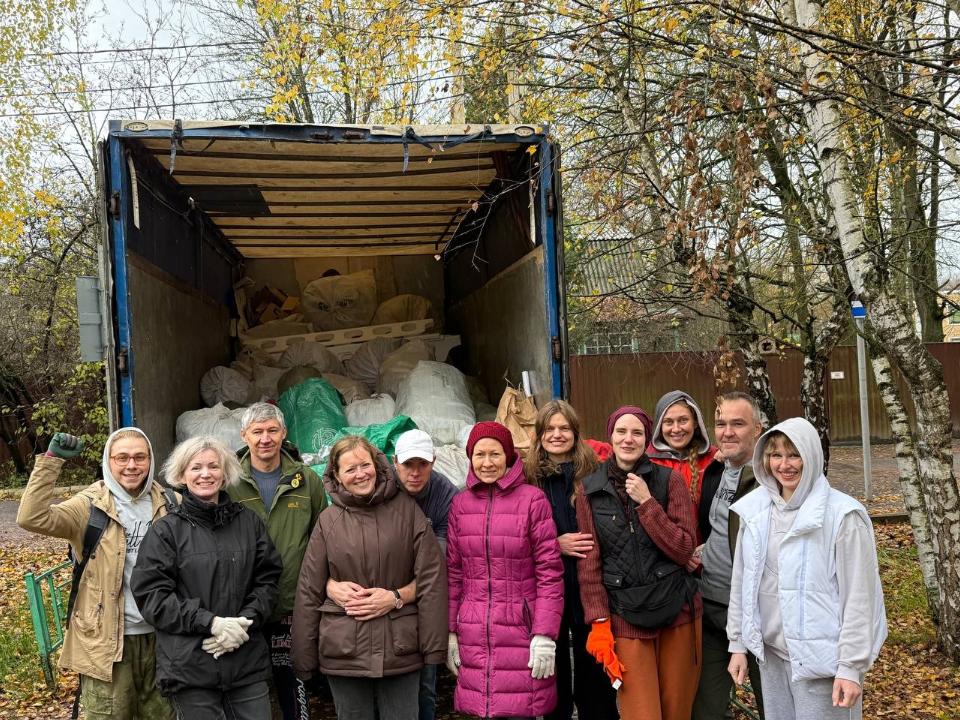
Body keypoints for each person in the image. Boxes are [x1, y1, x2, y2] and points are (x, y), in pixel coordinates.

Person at [726, 418, 887, 720]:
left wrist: (851, 668)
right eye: (776, 455)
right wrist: (738, 644)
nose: (784, 464)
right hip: (772, 658)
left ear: (811, 456)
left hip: (823, 663)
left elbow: (860, 601)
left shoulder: (843, 516)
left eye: (794, 454)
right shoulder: (754, 511)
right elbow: (742, 583)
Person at [17, 428, 176, 720]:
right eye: (122, 458)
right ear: (109, 460)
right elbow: (31, 517)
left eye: (140, 457)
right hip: (106, 643)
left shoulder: (171, 503)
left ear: (151, 459)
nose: (132, 465)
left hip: (162, 639)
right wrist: (51, 462)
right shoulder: (89, 506)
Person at [292, 435, 448, 720]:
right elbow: (309, 588)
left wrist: (433, 646)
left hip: (400, 648)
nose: (360, 474)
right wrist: (303, 656)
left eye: (365, 465)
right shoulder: (328, 520)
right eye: (350, 469)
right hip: (344, 649)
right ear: (336, 476)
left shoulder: (406, 511)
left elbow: (431, 578)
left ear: (377, 466)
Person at [131, 436, 282, 719]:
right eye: (195, 467)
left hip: (245, 660)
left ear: (225, 473)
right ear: (181, 475)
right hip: (190, 666)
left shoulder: (248, 522)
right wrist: (211, 623)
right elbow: (153, 597)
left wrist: (242, 624)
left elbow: (269, 581)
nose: (205, 474)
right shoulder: (165, 532)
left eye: (213, 466)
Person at [576, 406, 702, 720]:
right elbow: (590, 563)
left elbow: (684, 549)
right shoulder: (589, 490)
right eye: (622, 431)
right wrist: (599, 621)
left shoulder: (669, 480)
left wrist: (647, 503)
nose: (628, 439)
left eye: (637, 433)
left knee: (677, 711)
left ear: (647, 439)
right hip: (626, 615)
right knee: (640, 713)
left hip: (677, 610)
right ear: (611, 435)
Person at [446, 421, 565, 720]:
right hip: (474, 629)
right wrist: (450, 631)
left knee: (520, 710)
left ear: (509, 456)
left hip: (521, 629)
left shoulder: (532, 501)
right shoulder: (460, 505)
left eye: (495, 454)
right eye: (479, 454)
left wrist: (545, 634)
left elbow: (550, 571)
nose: (487, 463)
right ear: (470, 457)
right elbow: (454, 573)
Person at [230, 402, 327, 720]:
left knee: (293, 690)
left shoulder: (307, 481)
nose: (265, 439)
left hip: (291, 603)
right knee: (248, 690)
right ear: (244, 435)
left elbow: (321, 539)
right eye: (257, 432)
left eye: (272, 430)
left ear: (284, 433)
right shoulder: (230, 484)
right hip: (244, 606)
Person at [525, 401, 619, 720]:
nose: (557, 434)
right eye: (549, 429)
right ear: (539, 435)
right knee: (554, 679)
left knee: (595, 677)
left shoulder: (595, 472)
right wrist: (555, 544)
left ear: (576, 433)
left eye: (564, 428)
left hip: (590, 587)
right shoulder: (528, 478)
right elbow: (514, 535)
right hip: (546, 590)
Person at [690, 392, 764, 720]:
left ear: (758, 429)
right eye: (721, 424)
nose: (727, 432)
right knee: (706, 708)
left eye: (738, 423)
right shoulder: (718, 472)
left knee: (777, 706)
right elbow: (723, 528)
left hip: (757, 616)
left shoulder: (770, 478)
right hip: (712, 609)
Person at [647, 391, 718, 532]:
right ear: (660, 426)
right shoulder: (647, 463)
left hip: (706, 549)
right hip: (663, 549)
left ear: (696, 422)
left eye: (683, 420)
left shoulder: (715, 459)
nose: (676, 429)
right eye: (668, 422)